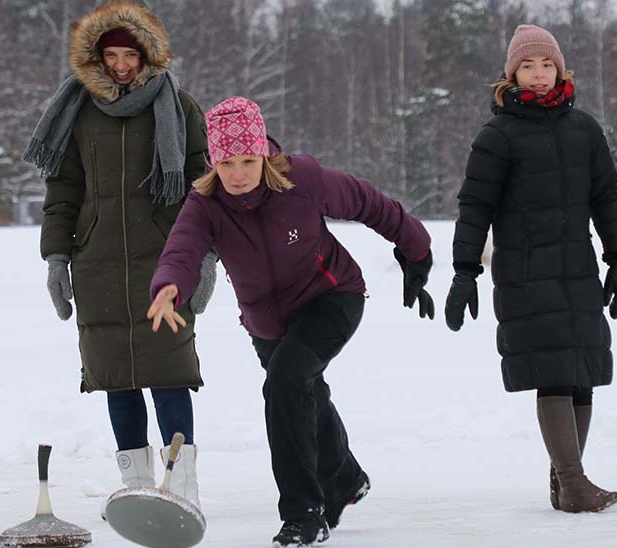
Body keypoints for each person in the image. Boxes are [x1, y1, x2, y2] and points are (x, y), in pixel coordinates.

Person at [147, 96, 434, 547]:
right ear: (212, 163)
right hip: (266, 322)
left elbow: (370, 203)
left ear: (264, 154)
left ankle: (304, 513)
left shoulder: (303, 180)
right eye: (227, 164)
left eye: (247, 161)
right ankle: (345, 477)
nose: (238, 175)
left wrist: (416, 250)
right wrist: (169, 286)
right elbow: (181, 251)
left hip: (331, 296)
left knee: (286, 381)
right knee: (303, 393)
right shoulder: (204, 204)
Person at [23, 0, 213, 504]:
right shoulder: (78, 110)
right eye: (112, 57)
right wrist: (56, 258)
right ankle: (134, 486)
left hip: (165, 263)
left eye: (131, 56)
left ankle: (181, 484)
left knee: (168, 371)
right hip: (98, 265)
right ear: (97, 58)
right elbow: (62, 191)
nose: (122, 66)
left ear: (148, 56)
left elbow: (203, 184)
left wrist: (207, 257)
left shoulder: (179, 106)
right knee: (117, 377)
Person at [444, 25, 617, 513]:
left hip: (579, 269)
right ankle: (573, 480)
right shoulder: (499, 134)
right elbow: (474, 206)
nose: (539, 75)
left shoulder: (584, 129)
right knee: (554, 372)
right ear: (512, 74)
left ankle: (566, 482)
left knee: (583, 371)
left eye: (547, 64)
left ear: (560, 68)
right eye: (528, 66)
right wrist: (466, 271)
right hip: (527, 273)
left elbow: (606, 198)